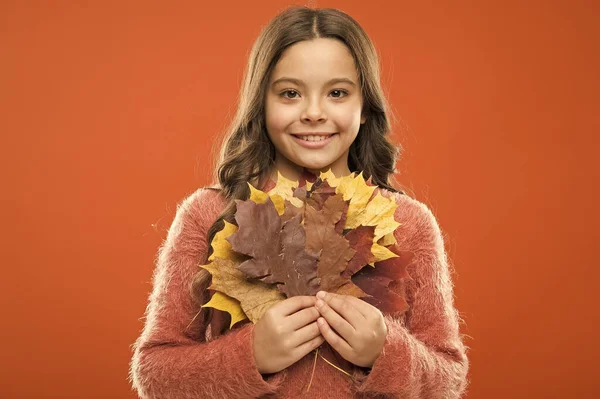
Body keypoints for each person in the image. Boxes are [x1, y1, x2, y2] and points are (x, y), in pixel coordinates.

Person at [129, 6, 469, 398]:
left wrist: (386, 352)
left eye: (337, 93)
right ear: (262, 102)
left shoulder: (408, 222)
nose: (313, 113)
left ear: (364, 107)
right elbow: (155, 372)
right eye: (290, 93)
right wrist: (249, 356)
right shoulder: (208, 214)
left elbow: (448, 378)